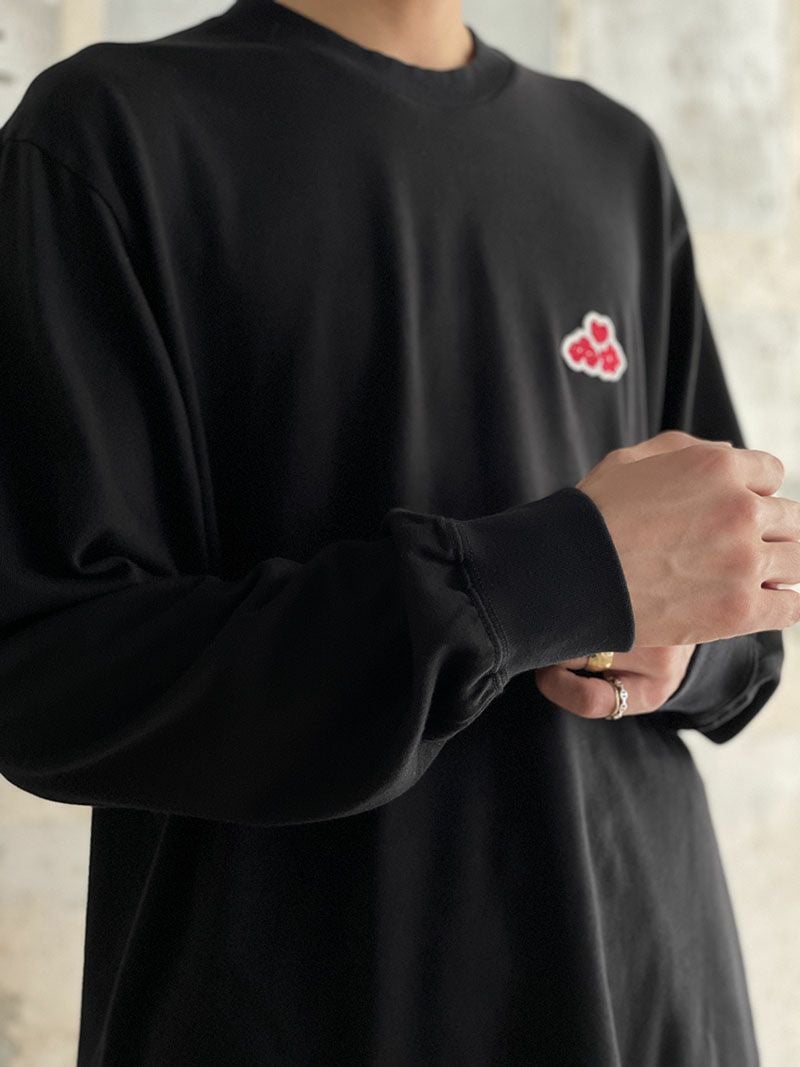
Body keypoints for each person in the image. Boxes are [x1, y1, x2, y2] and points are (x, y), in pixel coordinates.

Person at [0, 1, 797, 1063]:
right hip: (309, 1005)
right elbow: (49, 674)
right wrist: (535, 581)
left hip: (647, 988)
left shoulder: (613, 154)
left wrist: (678, 645)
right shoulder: (108, 130)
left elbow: (748, 602)